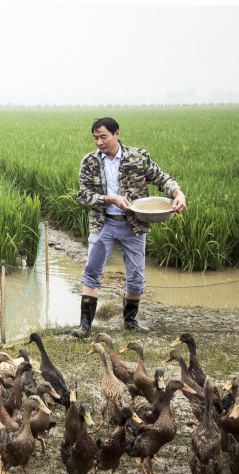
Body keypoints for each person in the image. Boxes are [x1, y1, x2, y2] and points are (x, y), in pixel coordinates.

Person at [72, 117, 186, 338]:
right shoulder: (89, 162)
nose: (98, 142)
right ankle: (84, 327)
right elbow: (83, 195)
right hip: (103, 224)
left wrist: (177, 193)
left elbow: (161, 178)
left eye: (103, 137)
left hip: (133, 225)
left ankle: (130, 322)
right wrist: (109, 199)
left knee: (136, 275)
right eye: (95, 138)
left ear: (116, 134)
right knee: (92, 272)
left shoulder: (138, 157)